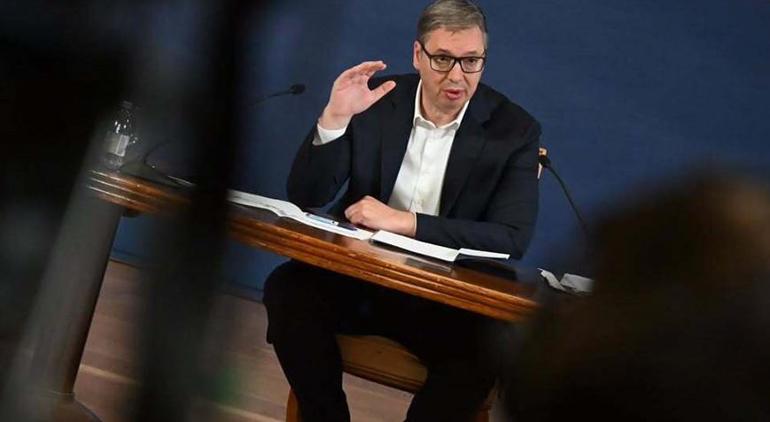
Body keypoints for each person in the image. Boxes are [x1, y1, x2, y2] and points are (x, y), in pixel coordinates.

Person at [263, 1, 541, 420]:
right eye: (443, 59)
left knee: (489, 347)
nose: (457, 75)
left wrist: (405, 223)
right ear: (417, 55)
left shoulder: (514, 130)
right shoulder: (377, 100)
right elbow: (307, 194)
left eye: (471, 61)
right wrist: (335, 119)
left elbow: (511, 238)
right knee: (287, 289)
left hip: (445, 301)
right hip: (359, 278)